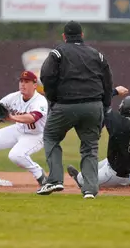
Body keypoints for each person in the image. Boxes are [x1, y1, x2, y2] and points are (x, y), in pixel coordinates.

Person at [37, 20, 114, 199]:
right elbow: (108, 81)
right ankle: (90, 190)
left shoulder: (57, 53)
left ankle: (55, 179)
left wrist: (53, 98)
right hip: (93, 105)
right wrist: (105, 105)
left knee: (51, 137)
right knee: (90, 148)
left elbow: (46, 76)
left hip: (65, 105)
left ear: (64, 37)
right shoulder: (97, 55)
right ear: (82, 35)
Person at [67, 67, 130, 190]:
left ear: (122, 109)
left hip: (114, 175)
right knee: (103, 162)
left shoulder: (115, 120)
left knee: (84, 180)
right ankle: (127, 181)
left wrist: (115, 91)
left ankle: (81, 178)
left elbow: (99, 100)